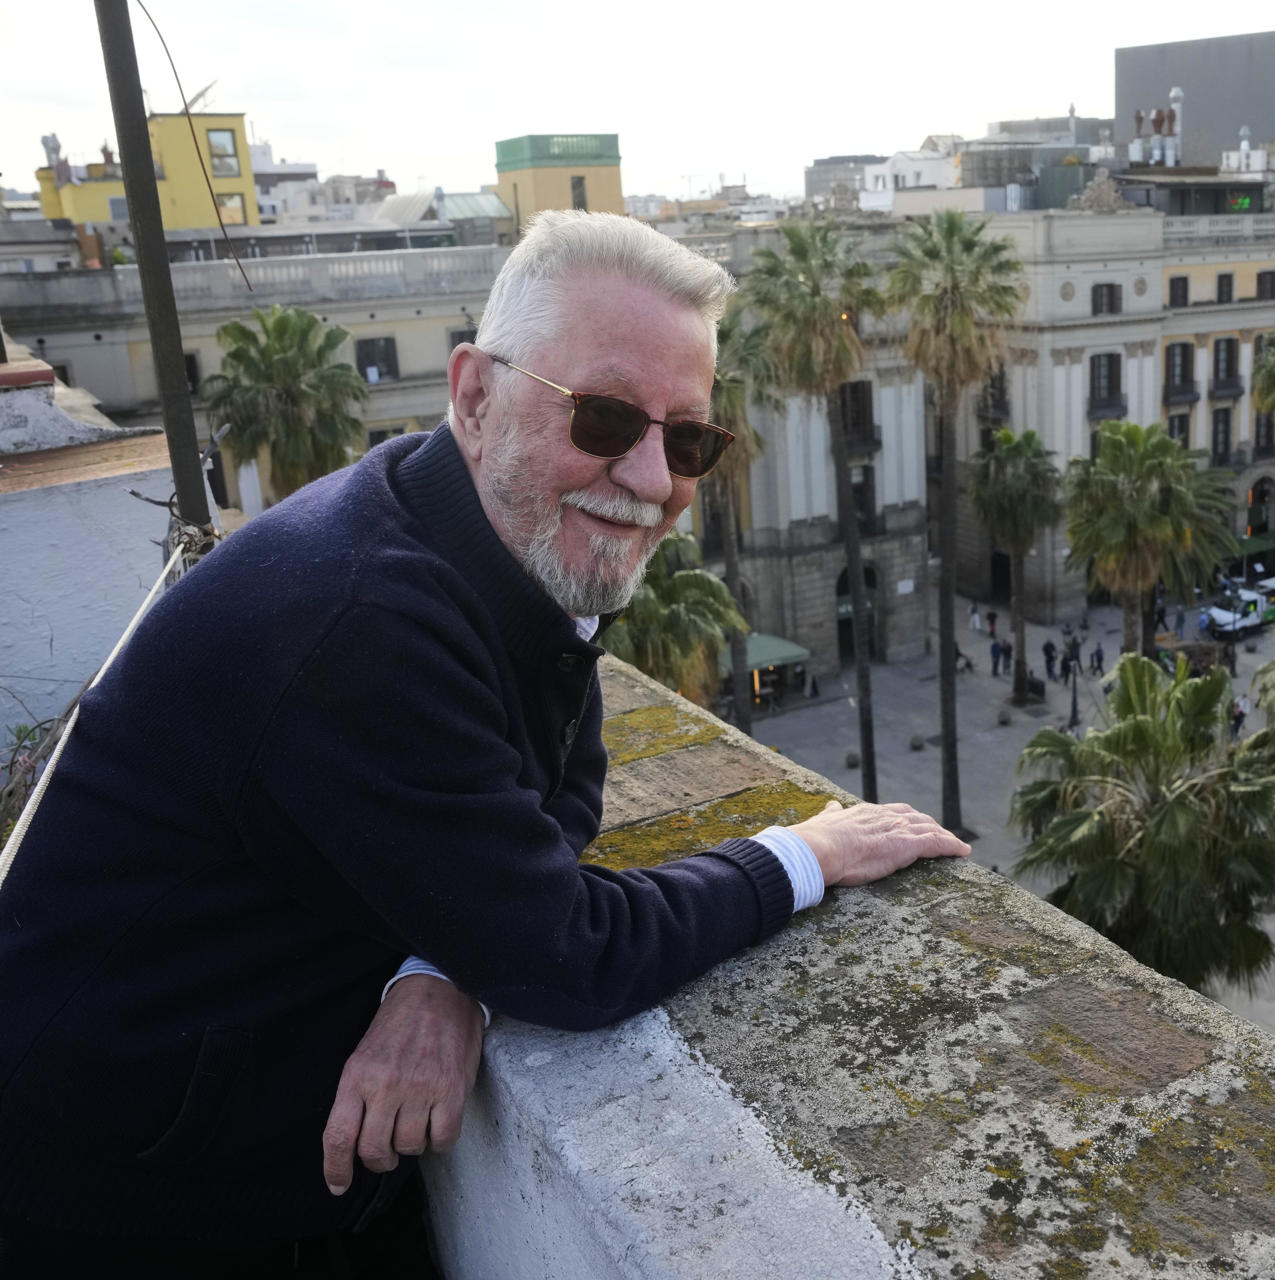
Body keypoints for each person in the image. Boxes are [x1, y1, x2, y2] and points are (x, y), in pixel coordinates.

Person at [0, 211, 970, 1271]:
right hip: (129, 1196)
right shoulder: (363, 619)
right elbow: (577, 954)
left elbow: (563, 779)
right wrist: (809, 852)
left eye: (689, 438)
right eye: (604, 418)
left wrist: (447, 960)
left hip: (244, 1143)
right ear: (473, 396)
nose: (654, 479)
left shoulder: (468, 530)